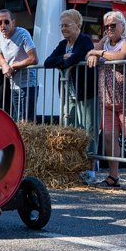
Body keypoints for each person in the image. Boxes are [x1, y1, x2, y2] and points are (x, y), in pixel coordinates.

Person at [86, 11, 126, 189]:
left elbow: (123, 56)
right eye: (106, 26)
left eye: (113, 25)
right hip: (107, 100)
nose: (109, 29)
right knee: (108, 138)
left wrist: (98, 52)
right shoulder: (105, 41)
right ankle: (113, 177)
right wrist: (92, 54)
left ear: (123, 25)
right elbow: (89, 54)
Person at [44, 9, 98, 161]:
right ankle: (74, 164)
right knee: (70, 129)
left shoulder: (85, 40)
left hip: (86, 93)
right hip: (69, 95)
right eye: (61, 26)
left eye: (66, 25)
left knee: (89, 131)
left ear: (78, 25)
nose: (63, 29)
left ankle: (91, 169)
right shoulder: (63, 44)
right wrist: (62, 57)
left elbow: (72, 61)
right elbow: (47, 62)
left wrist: (63, 61)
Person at [0, 9, 40, 122]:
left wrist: (14, 66)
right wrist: (4, 64)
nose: (3, 25)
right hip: (13, 84)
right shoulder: (0, 35)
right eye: (0, 23)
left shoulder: (22, 34)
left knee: (27, 122)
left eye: (6, 22)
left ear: (13, 22)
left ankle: (27, 140)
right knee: (19, 121)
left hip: (28, 83)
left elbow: (34, 59)